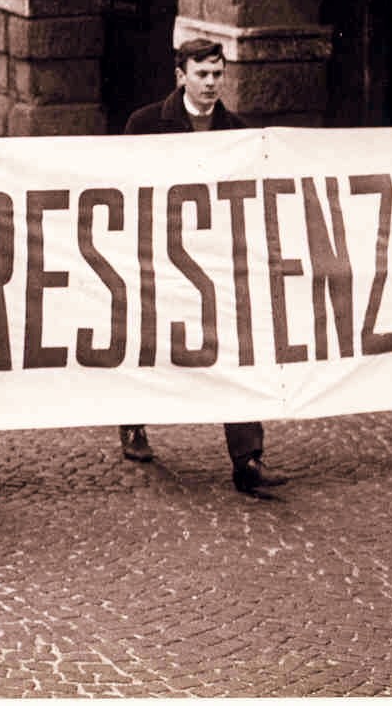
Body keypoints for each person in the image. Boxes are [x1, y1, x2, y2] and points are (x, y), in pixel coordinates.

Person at [117, 37, 284, 497]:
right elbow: (124, 187)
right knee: (150, 342)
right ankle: (132, 421)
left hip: (214, 260)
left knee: (236, 347)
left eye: (217, 74)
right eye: (202, 74)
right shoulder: (147, 124)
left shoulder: (237, 131)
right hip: (159, 254)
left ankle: (247, 458)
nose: (211, 83)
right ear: (181, 76)